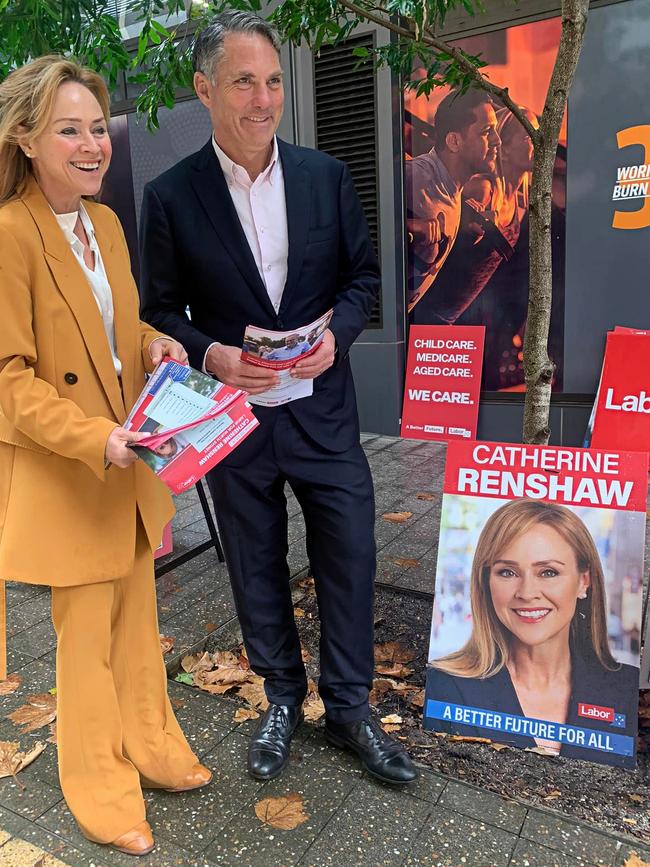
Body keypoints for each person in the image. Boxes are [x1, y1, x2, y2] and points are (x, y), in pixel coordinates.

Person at [140, 11, 417, 786]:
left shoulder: (326, 176)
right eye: (242, 82)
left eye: (271, 81)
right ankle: (281, 699)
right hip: (235, 424)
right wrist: (213, 353)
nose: (263, 99)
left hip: (323, 410)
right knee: (255, 564)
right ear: (204, 89)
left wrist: (341, 335)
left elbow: (364, 278)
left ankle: (352, 707)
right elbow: (157, 310)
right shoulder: (170, 196)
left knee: (351, 553)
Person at [0, 56, 211, 856]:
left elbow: (123, 333)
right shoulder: (10, 233)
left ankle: (153, 744)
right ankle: (97, 785)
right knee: (84, 642)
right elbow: (9, 381)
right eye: (69, 130)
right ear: (25, 138)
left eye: (97, 128)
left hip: (130, 463)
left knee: (137, 623)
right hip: (73, 466)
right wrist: (97, 436)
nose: (93, 145)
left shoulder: (107, 226)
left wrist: (158, 346)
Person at [427, 499, 639, 766]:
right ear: (486, 582)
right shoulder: (445, 685)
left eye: (548, 572)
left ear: (583, 582)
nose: (527, 593)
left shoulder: (625, 689)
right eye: (507, 572)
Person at [405, 89, 501, 312]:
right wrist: (407, 226)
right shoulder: (415, 176)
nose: (497, 141)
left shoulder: (453, 189)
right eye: (487, 132)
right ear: (454, 141)